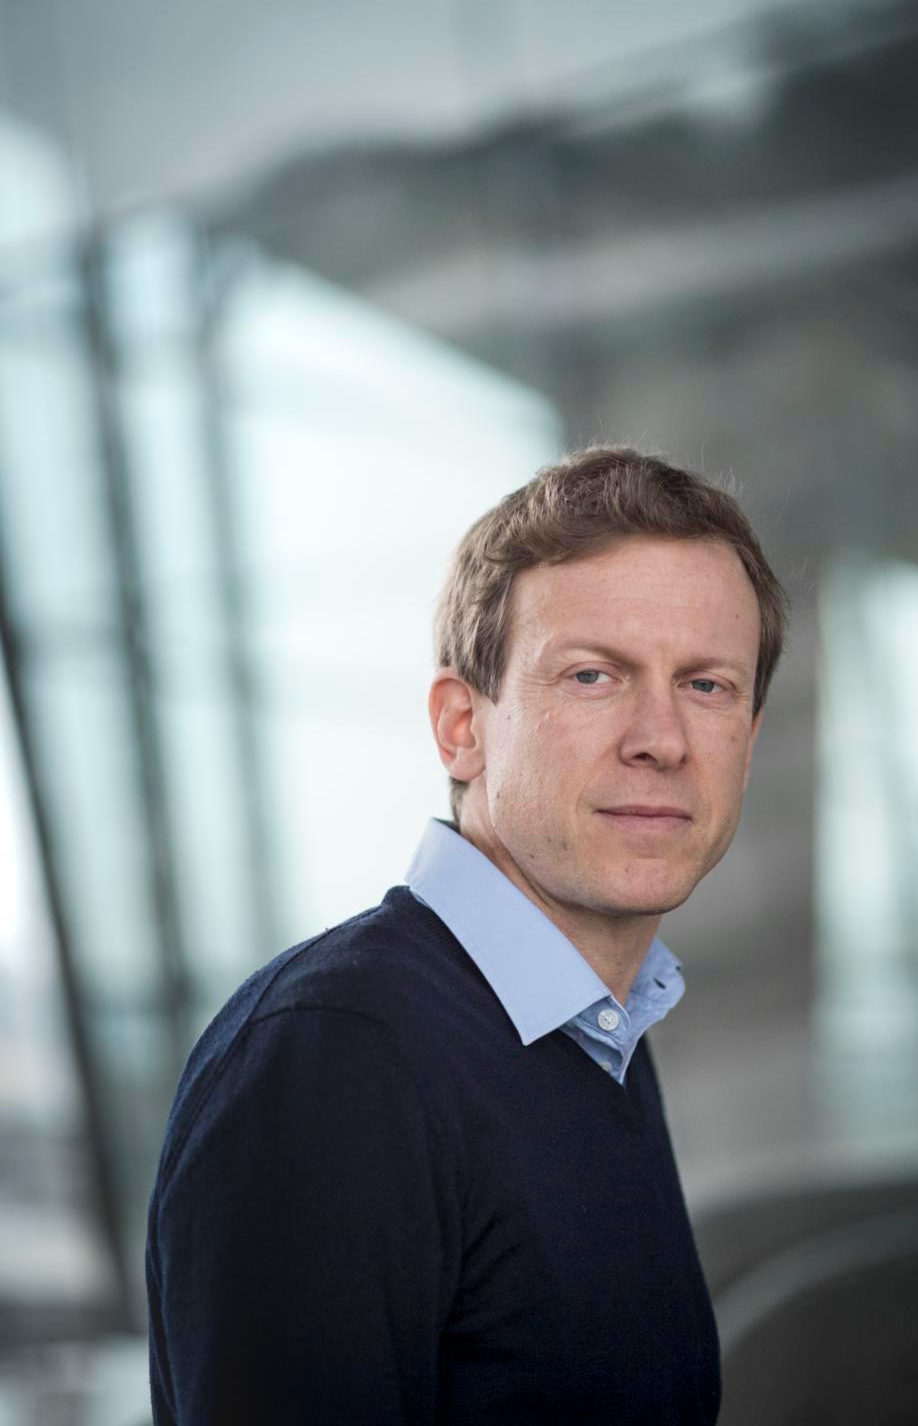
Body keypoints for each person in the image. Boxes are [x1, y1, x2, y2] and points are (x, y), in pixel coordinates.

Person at [145, 445, 788, 1425]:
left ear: (748, 736)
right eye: (592, 675)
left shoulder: (596, 1032)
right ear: (460, 726)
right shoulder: (336, 1058)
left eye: (707, 685)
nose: (661, 738)